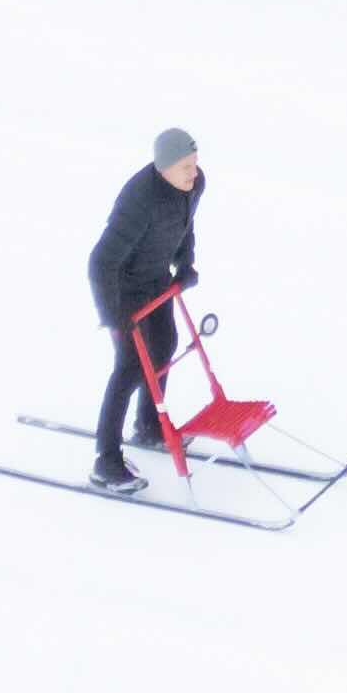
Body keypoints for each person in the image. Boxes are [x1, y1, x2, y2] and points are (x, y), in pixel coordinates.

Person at [86, 130, 209, 488]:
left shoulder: (193, 186)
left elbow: (184, 225)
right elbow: (100, 262)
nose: (194, 173)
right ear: (165, 167)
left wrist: (184, 264)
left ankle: (149, 426)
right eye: (186, 167)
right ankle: (105, 461)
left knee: (165, 346)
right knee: (130, 368)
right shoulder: (140, 200)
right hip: (123, 289)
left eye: (195, 164)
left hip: (155, 279)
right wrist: (113, 315)